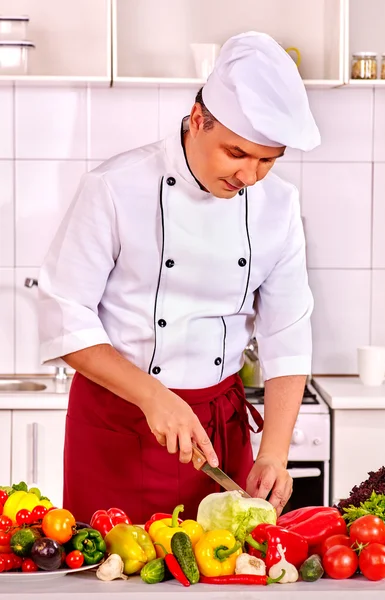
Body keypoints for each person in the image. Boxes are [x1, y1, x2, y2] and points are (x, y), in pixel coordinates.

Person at [38, 31, 320, 523]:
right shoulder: (114, 187)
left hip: (217, 434)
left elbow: (287, 332)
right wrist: (152, 396)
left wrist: (273, 451)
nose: (250, 177)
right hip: (119, 423)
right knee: (108, 581)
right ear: (197, 120)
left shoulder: (280, 207)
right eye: (236, 153)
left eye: (267, 162)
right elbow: (65, 315)